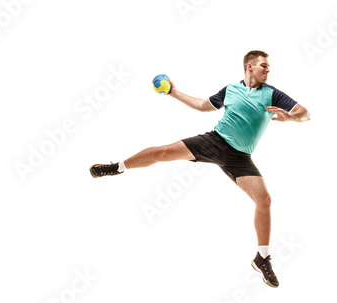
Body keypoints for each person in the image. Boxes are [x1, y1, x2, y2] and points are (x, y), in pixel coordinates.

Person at [90, 50, 310, 288]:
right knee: (162, 152)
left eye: (268, 67)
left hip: (240, 157)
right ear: (249, 66)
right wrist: (173, 92)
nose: (268, 69)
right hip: (214, 142)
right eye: (264, 65)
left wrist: (290, 117)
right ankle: (117, 167)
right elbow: (204, 105)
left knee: (264, 200)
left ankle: (262, 258)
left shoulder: (272, 94)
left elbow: (304, 113)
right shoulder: (230, 90)